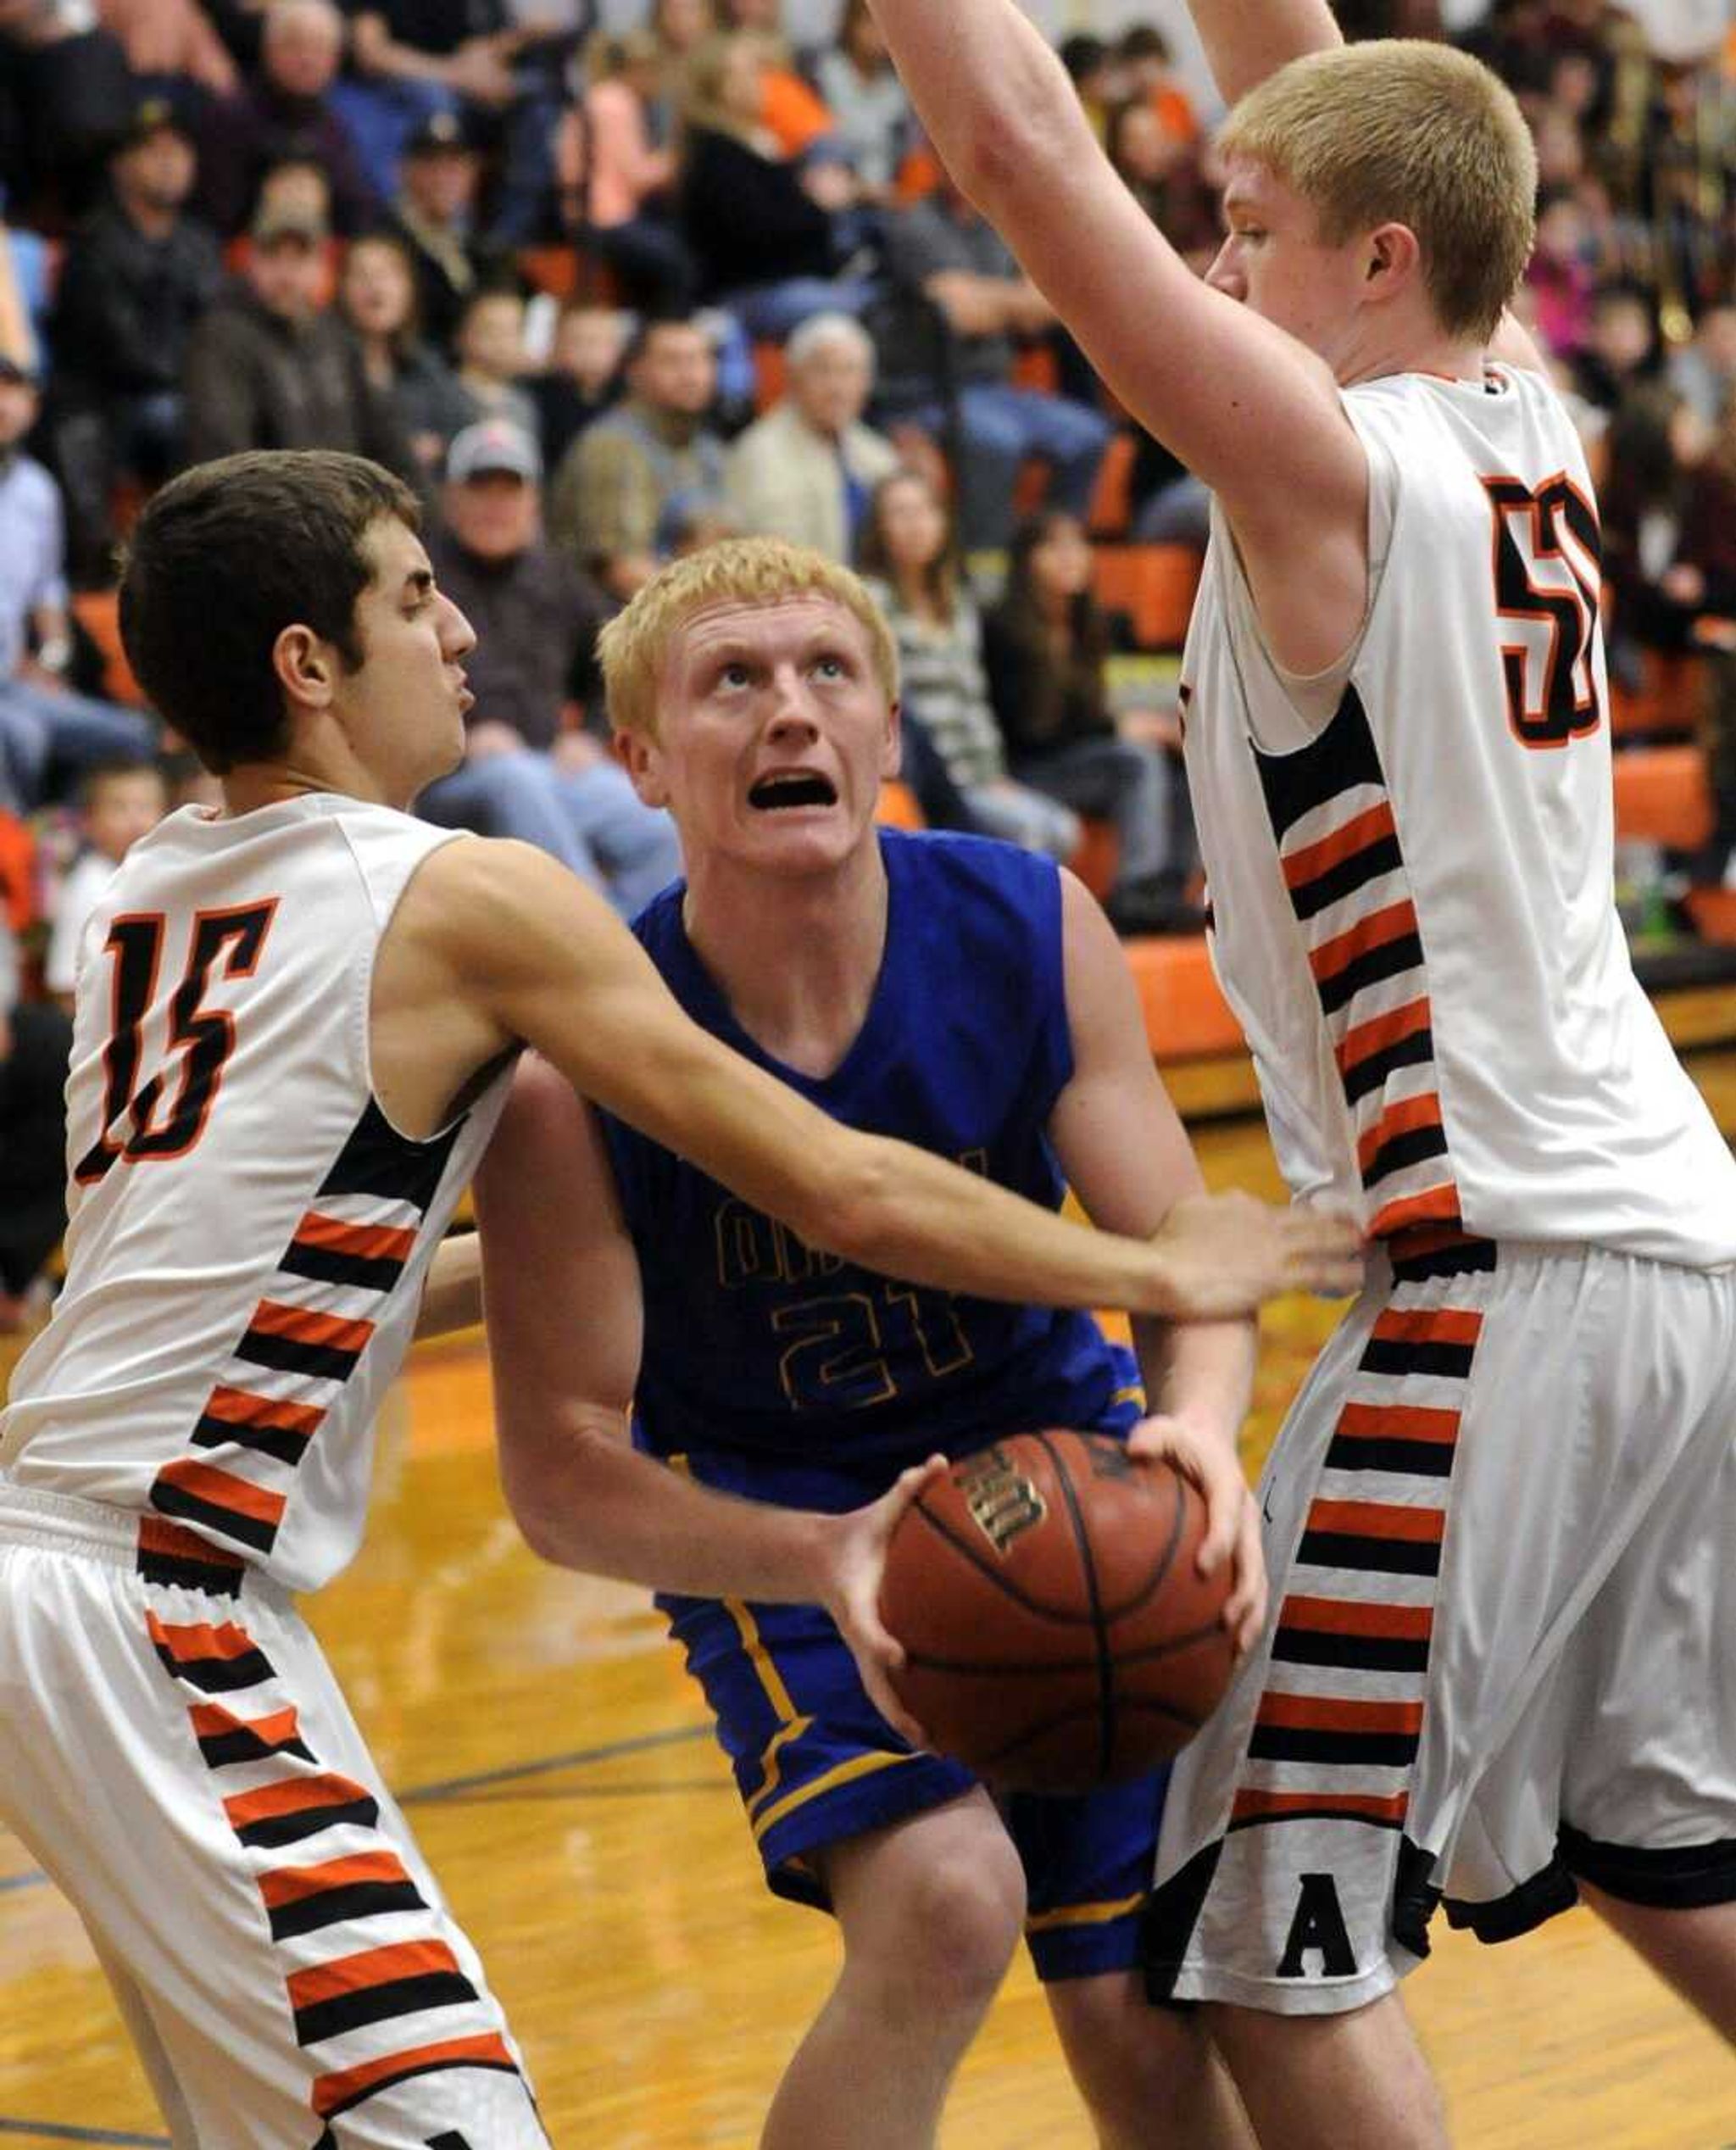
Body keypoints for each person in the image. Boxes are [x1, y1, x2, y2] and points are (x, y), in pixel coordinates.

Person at [0, 446, 1361, 2145]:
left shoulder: (140, 901)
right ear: (308, 664)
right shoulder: (460, 896)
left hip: (55, 1551)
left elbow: (295, 1262)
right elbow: (830, 1179)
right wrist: (1155, 1263)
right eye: (415, 597)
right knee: (448, 2117)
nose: (461, 636)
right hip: (159, 1591)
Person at [860, 1, 1736, 2143]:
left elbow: (1015, 151)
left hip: (1489, 1282)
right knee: (1661, 1841)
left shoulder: (1316, 464)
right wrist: (1286, 110)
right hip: (1671, 1251)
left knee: (1270, 1941)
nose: (1213, 261)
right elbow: (1308, 78)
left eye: (1245, 231)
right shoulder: (1530, 417)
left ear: (1372, 266)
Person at [470, 533, 1270, 2150]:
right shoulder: (576, 1060)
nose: (791, 713)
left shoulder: (1028, 923)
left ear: (890, 734)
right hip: (785, 1506)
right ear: (635, 761)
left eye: (831, 673)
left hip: (1059, 1470)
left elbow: (1190, 1262)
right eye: (732, 682)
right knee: (945, 1900)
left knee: (1140, 2005)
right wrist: (827, 1553)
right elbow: (560, 1474)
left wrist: (1199, 1439)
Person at [421, 415, 682, 916]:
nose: (496, 507)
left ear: (532, 502)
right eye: (481, 490)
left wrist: (588, 732)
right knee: (514, 780)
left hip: (551, 765)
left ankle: (634, 950)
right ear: (452, 497)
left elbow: (615, 662)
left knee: (658, 824)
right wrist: (462, 738)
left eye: (509, 491)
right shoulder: (422, 578)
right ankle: (589, 948)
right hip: (450, 777)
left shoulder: (558, 578)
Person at [982, 509, 1195, 934]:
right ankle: (1135, 890)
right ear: (1027, 560)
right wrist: (1117, 728)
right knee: (1135, 761)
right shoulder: (1002, 627)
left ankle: (1168, 891)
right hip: (1024, 769)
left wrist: (1127, 729)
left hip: (1076, 761)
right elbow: (1031, 730)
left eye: (1077, 545)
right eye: (1054, 547)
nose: (1069, 557)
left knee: (1179, 766)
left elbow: (1087, 717)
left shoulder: (1089, 624)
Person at [860, 465, 1078, 859]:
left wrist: (994, 775)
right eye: (901, 514)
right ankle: (1014, 921)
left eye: (925, 511)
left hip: (980, 774)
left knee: (1064, 829)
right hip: (931, 777)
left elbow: (973, 702)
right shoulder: (871, 602)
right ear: (879, 528)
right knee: (1029, 831)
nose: (916, 525)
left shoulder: (958, 603)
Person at [723, 309, 899, 562]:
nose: (837, 388)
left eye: (849, 371)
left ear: (866, 382)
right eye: (823, 371)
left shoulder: (876, 452)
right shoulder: (761, 455)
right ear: (793, 378)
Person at [44, 755, 169, 1008]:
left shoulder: (167, 875)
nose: (135, 819)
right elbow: (66, 986)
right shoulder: (88, 887)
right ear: (88, 822)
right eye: (119, 808)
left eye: (146, 806)